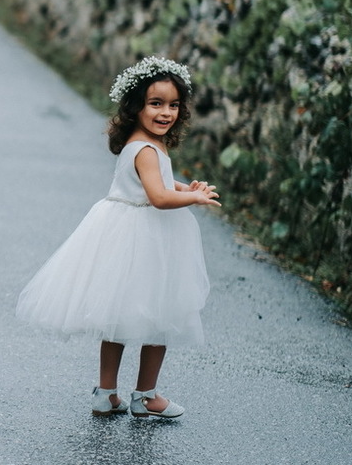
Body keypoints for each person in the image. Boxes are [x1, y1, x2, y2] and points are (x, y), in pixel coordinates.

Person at [15, 56, 221, 418]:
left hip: (127, 233)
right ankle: (146, 396)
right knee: (160, 315)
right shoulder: (146, 149)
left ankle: (106, 392)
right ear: (136, 106)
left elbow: (158, 182)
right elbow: (158, 198)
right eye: (155, 103)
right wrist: (194, 198)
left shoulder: (140, 143)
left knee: (118, 317)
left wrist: (184, 187)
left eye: (173, 105)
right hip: (145, 237)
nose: (166, 112)